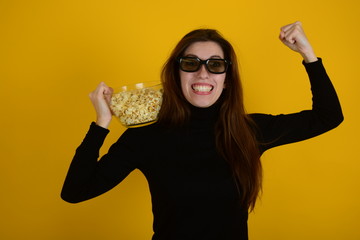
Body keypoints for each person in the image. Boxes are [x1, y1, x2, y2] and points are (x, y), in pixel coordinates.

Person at [61, 21, 343, 240]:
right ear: (177, 73)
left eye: (215, 65)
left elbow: (329, 117)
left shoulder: (248, 130)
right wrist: (101, 123)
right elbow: (75, 191)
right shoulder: (145, 138)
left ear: (227, 79)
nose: (203, 73)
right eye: (191, 63)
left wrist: (308, 53)